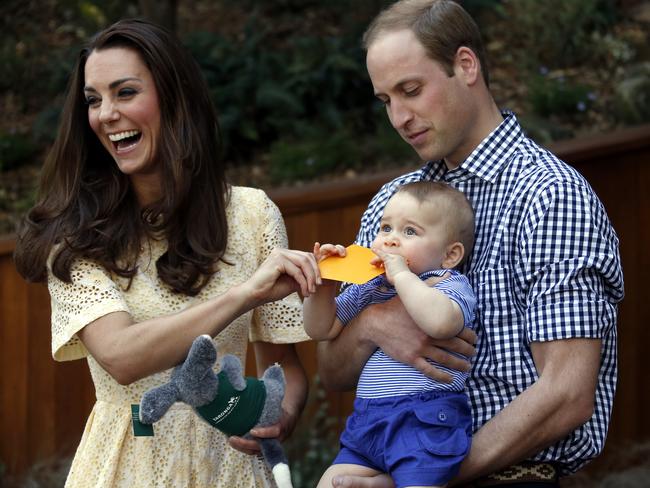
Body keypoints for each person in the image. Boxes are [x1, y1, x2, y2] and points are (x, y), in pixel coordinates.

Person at [316, 1, 624, 487]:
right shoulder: (390, 208)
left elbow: (566, 393)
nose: (398, 116)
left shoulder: (549, 196)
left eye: (410, 90)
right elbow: (333, 372)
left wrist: (427, 477)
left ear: (465, 65)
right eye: (385, 100)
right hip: (390, 462)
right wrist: (374, 325)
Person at [13, 19, 322, 488]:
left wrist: (281, 415)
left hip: (233, 471)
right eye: (93, 100)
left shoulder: (253, 214)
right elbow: (121, 356)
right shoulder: (75, 236)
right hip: (126, 469)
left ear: (175, 98)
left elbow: (284, 367)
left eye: (125, 92)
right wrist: (245, 295)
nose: (106, 114)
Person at [304, 181, 477, 488]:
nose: (392, 240)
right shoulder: (370, 287)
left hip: (423, 417)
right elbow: (321, 329)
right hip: (368, 420)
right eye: (385, 228)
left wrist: (401, 276)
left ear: (450, 255)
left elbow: (440, 323)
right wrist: (324, 286)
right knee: (330, 483)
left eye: (410, 232)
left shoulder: (446, 282)